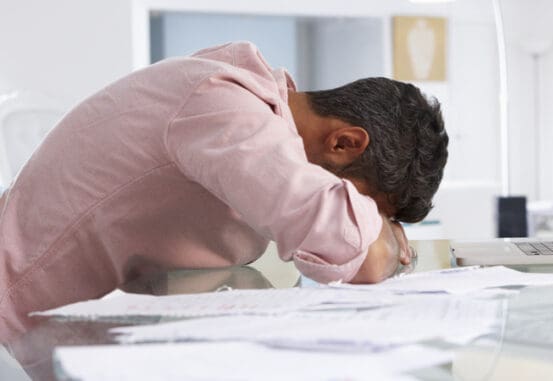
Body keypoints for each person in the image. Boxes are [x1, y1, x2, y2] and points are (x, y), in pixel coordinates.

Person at [0, 41, 448, 341]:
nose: (370, 221)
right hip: (15, 325)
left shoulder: (250, 109)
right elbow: (360, 251)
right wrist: (383, 240)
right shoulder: (222, 103)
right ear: (344, 142)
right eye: (361, 201)